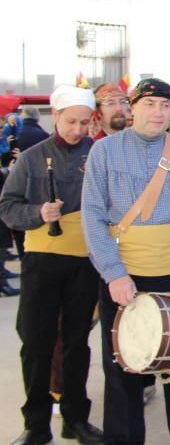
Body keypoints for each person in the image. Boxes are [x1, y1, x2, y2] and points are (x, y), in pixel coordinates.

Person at [82, 78, 170, 445]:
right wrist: (113, 273)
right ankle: (124, 439)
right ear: (132, 106)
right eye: (150, 103)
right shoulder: (104, 152)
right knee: (124, 363)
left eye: (165, 105)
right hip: (125, 273)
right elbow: (92, 215)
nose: (158, 112)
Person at [0, 86, 103, 445]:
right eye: (71, 121)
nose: (78, 129)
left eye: (85, 122)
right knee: (36, 342)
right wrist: (37, 213)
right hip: (42, 261)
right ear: (55, 117)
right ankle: (36, 423)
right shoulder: (30, 158)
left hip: (86, 261)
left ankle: (76, 419)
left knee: (77, 343)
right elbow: (7, 207)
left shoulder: (99, 154)